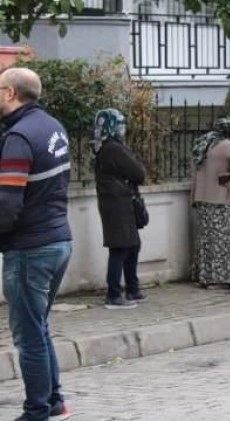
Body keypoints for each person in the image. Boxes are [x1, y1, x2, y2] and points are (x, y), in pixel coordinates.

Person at [0, 67, 73, 420]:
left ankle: (37, 410)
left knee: (28, 337)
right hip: (59, 240)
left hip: (29, 249)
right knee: (39, 327)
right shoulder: (53, 128)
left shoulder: (18, 137)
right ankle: (55, 402)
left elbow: (8, 203)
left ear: (11, 93)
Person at [91, 108, 148, 310]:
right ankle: (114, 294)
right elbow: (138, 173)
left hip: (115, 202)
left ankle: (132, 288)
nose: (123, 129)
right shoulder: (113, 148)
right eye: (120, 124)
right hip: (118, 203)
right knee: (120, 248)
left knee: (132, 245)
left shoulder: (103, 148)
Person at [190, 117, 230, 289]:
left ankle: (205, 277)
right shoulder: (226, 145)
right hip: (220, 198)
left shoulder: (201, 144)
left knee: (207, 239)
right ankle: (220, 279)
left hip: (202, 198)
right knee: (222, 241)